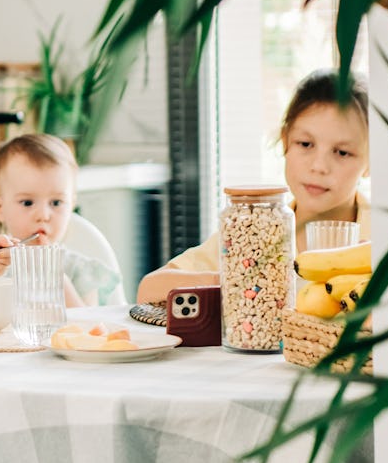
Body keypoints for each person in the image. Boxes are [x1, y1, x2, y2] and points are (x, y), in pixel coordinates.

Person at [136, 68, 371, 303]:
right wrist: (235, 280)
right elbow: (149, 290)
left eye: (342, 152)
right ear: (285, 140)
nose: (319, 166)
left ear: (371, 162)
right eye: (306, 144)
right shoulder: (252, 231)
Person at [0, 133, 124, 306]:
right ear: (0, 208)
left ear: (71, 205)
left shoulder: (80, 271)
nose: (43, 215)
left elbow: (89, 328)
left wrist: (58, 279)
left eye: (56, 202)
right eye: (27, 202)